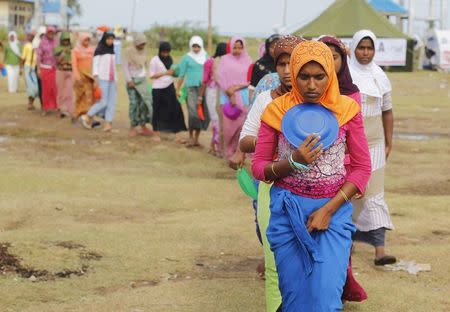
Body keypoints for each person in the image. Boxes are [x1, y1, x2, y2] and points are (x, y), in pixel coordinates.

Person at [252, 40, 371, 311]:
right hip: (288, 213)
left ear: (331, 74)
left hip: (334, 212)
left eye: (319, 76)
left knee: (326, 298)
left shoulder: (347, 111)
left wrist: (328, 210)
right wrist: (292, 162)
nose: (312, 85)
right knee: (295, 298)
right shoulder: (276, 111)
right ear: (293, 75)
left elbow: (362, 168)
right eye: (304, 77)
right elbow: (258, 167)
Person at [240, 35, 303, 312]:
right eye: (281, 64)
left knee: (306, 262)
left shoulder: (321, 99)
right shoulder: (266, 99)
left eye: (293, 63)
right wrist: (273, 139)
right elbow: (245, 140)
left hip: (312, 191)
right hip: (272, 186)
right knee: (274, 261)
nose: (287, 70)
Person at [349, 30, 396, 266]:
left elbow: (387, 111)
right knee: (350, 192)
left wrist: (389, 141)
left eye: (370, 48)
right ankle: (347, 243)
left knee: (375, 193)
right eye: (361, 47)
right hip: (350, 144)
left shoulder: (380, 76)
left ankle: (380, 250)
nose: (365, 53)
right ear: (353, 48)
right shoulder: (345, 75)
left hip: (375, 143)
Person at [217, 36, 253, 167]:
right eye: (235, 47)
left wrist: (236, 88)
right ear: (231, 47)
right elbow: (220, 77)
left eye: (240, 47)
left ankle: (239, 155)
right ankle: (228, 153)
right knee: (228, 129)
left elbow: (250, 80)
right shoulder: (224, 60)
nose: (237, 50)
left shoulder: (248, 60)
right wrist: (229, 92)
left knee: (242, 128)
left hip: (243, 97)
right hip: (226, 98)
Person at [150, 41, 187, 143]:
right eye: (164, 52)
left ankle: (177, 135)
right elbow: (152, 75)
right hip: (158, 89)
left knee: (175, 109)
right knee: (157, 111)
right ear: (160, 51)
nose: (166, 54)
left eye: (167, 52)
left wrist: (175, 73)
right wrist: (165, 72)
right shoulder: (154, 60)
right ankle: (156, 134)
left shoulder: (170, 59)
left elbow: (172, 73)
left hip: (170, 86)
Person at [81, 31, 117, 132]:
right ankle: (88, 116)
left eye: (112, 39)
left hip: (112, 79)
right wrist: (96, 79)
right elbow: (95, 66)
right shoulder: (99, 50)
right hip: (103, 79)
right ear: (104, 39)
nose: (110, 41)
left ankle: (108, 124)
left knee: (111, 103)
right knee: (103, 102)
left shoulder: (113, 50)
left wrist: (116, 79)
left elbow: (114, 66)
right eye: (108, 39)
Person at [176, 36, 209, 147]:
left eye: (198, 46)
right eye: (194, 46)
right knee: (192, 113)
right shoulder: (186, 58)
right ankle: (190, 137)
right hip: (190, 88)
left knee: (201, 113)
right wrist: (178, 89)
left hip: (203, 89)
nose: (195, 48)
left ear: (201, 46)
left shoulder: (206, 57)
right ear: (191, 46)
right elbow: (181, 75)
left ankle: (196, 138)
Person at [198, 42, 228, 156]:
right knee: (216, 119)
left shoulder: (227, 62)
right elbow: (204, 81)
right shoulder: (209, 62)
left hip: (223, 92)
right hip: (213, 92)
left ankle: (214, 146)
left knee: (220, 120)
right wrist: (200, 97)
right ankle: (217, 147)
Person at [123, 33, 153, 137]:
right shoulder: (129, 52)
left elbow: (144, 66)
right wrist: (129, 80)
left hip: (142, 81)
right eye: (141, 43)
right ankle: (133, 127)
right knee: (134, 104)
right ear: (136, 42)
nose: (142, 46)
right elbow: (125, 67)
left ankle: (143, 125)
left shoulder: (144, 51)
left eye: (144, 44)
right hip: (132, 82)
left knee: (144, 103)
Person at [72, 32, 96, 120]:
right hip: (80, 76)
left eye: (88, 39)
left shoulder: (93, 49)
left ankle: (88, 116)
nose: (87, 41)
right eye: (85, 39)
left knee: (89, 97)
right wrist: (77, 77)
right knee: (79, 96)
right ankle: (77, 114)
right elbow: (74, 65)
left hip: (90, 77)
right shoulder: (75, 50)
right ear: (81, 40)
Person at [249, 34, 280, 100]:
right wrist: (251, 105)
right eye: (272, 47)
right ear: (267, 48)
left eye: (278, 46)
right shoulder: (259, 65)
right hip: (264, 103)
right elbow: (252, 88)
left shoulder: (289, 63)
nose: (275, 50)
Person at [37, 26, 58, 115]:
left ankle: (56, 108)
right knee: (45, 90)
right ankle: (45, 108)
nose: (51, 34)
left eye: (52, 32)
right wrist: (38, 69)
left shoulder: (56, 42)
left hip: (55, 69)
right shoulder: (42, 43)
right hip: (45, 68)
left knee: (55, 89)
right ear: (46, 33)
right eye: (49, 32)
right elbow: (38, 57)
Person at [54, 31, 74, 119]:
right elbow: (57, 61)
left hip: (70, 71)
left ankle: (68, 109)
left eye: (67, 40)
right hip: (60, 71)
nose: (66, 42)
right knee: (60, 91)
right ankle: (61, 109)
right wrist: (63, 53)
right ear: (61, 40)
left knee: (69, 91)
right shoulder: (57, 48)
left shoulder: (72, 48)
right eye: (64, 40)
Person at [21, 31, 39, 110]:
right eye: (29, 36)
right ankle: (30, 103)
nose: (30, 37)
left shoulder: (38, 45)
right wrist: (21, 68)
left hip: (36, 67)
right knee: (31, 86)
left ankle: (31, 102)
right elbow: (23, 58)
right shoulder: (27, 46)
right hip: (28, 67)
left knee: (35, 86)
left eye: (32, 36)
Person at [32, 26, 47, 108]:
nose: (43, 37)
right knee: (41, 86)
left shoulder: (49, 42)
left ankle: (49, 104)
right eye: (42, 35)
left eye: (45, 35)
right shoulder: (36, 42)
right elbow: (37, 56)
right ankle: (43, 105)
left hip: (49, 68)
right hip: (39, 67)